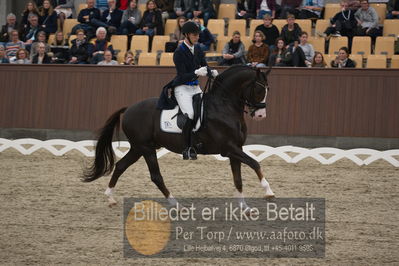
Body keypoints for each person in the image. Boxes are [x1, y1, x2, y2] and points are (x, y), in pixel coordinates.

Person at [168, 21, 218, 159]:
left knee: (204, 113)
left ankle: (199, 142)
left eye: (198, 35)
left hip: (195, 87)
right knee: (190, 114)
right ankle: (186, 148)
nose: (197, 37)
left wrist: (210, 72)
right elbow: (182, 75)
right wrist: (197, 72)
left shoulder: (198, 49)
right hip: (182, 88)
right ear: (187, 35)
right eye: (194, 35)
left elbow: (204, 66)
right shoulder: (179, 52)